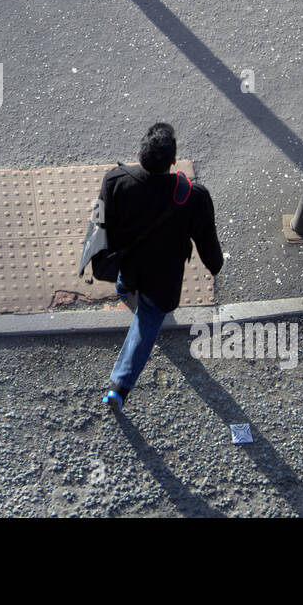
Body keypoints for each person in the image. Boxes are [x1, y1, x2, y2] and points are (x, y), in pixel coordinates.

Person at [99, 122, 223, 410]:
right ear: (173, 162)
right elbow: (208, 242)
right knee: (148, 319)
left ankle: (123, 289)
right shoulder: (193, 196)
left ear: (138, 152)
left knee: (126, 282)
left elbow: (101, 222)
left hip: (129, 264)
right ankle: (119, 387)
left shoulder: (115, 180)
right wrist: (214, 264)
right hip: (163, 277)